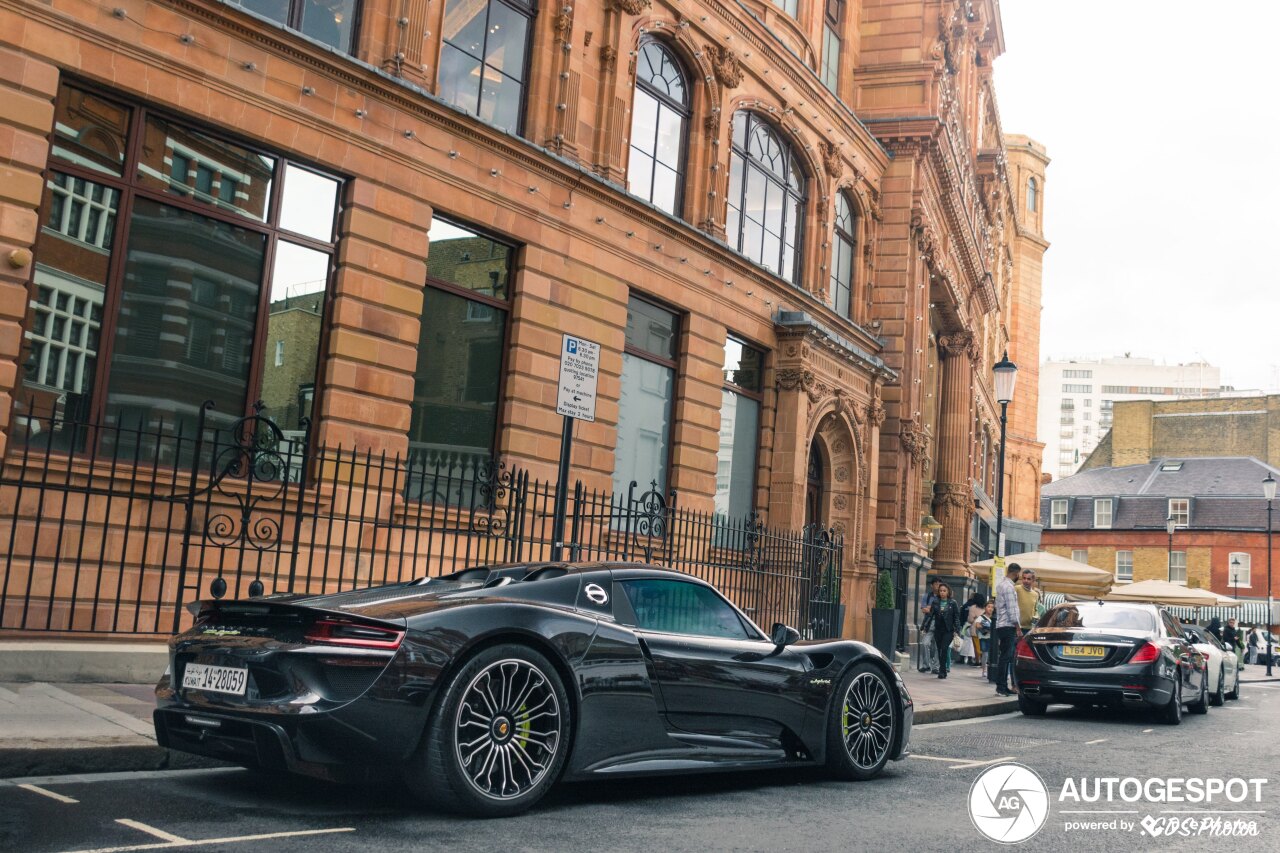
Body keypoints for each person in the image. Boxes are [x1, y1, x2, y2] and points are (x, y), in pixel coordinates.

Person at [932, 582, 962, 679]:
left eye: (944, 591)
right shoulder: (935, 602)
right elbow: (930, 615)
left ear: (948, 591)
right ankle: (943, 669)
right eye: (940, 591)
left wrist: (957, 629)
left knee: (944, 649)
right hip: (938, 630)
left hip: (948, 630)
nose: (942, 593)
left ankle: (942, 669)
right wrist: (925, 626)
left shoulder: (953, 603)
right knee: (939, 650)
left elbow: (956, 617)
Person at [918, 576, 940, 673]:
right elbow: (923, 609)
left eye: (939, 584)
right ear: (932, 585)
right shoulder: (927, 596)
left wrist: (930, 608)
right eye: (936, 584)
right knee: (925, 643)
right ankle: (926, 665)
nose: (938, 586)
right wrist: (932, 609)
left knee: (937, 645)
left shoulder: (943, 597)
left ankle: (935, 667)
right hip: (929, 622)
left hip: (940, 623)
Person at [1016, 568, 1042, 635]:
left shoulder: (1035, 594)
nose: (1025, 580)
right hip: (1016, 628)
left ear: (1033, 580)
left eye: (1028, 579)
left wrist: (1037, 616)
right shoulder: (1016, 589)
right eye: (1024, 578)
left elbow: (1035, 609)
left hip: (1029, 628)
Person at [977, 601, 994, 678]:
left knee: (991, 655)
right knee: (985, 654)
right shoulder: (981, 617)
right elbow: (977, 625)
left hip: (992, 638)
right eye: (989, 607)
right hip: (984, 637)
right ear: (985, 608)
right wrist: (987, 628)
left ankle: (989, 669)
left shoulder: (995, 617)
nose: (990, 609)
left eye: (992, 607)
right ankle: (984, 670)